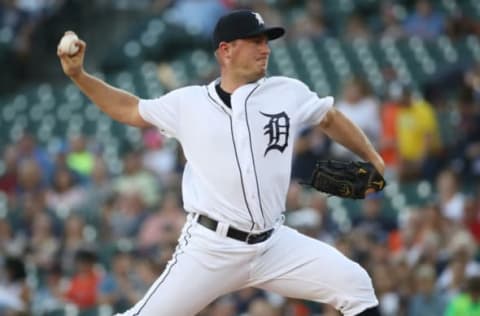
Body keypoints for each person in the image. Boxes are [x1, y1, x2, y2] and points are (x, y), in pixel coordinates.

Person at [57, 10, 385, 316]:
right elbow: (129, 109)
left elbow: (328, 117)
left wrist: (372, 157)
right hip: (212, 248)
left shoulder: (287, 92)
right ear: (226, 50)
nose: (265, 49)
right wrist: (79, 75)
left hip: (274, 244)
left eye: (266, 41)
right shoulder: (188, 103)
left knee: (356, 285)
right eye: (255, 41)